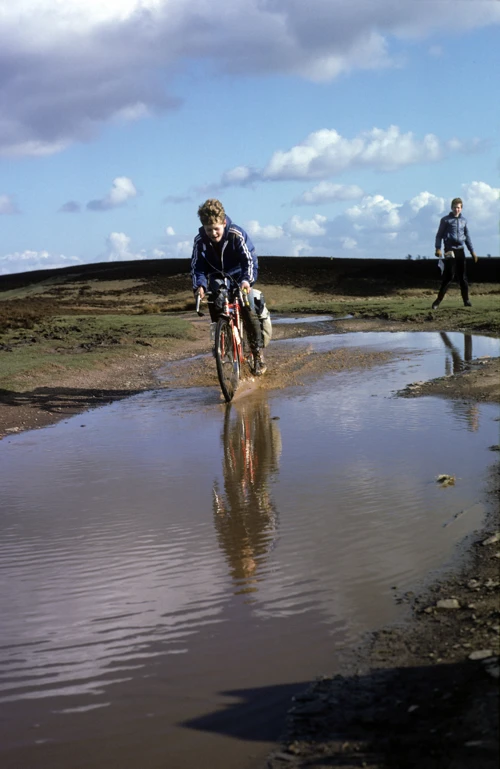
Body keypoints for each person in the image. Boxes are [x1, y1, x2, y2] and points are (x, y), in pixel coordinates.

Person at [191, 198, 267, 375]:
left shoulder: (236, 234)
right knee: (215, 304)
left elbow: (249, 260)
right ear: (204, 227)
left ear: (224, 223)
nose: (213, 233)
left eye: (216, 229)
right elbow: (197, 267)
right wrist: (199, 286)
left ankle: (257, 355)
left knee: (247, 306)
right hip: (216, 278)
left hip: (239, 276)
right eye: (209, 230)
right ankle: (222, 342)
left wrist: (246, 280)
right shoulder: (199, 241)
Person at [432, 197, 478, 309]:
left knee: (463, 277)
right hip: (449, 250)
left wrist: (472, 251)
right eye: (454, 207)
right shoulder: (445, 220)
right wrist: (438, 248)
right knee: (449, 276)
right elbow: (439, 235)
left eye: (458, 207)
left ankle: (466, 300)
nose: (456, 209)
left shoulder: (464, 221)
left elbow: (467, 237)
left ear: (461, 208)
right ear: (451, 208)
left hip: (460, 250)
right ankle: (438, 301)